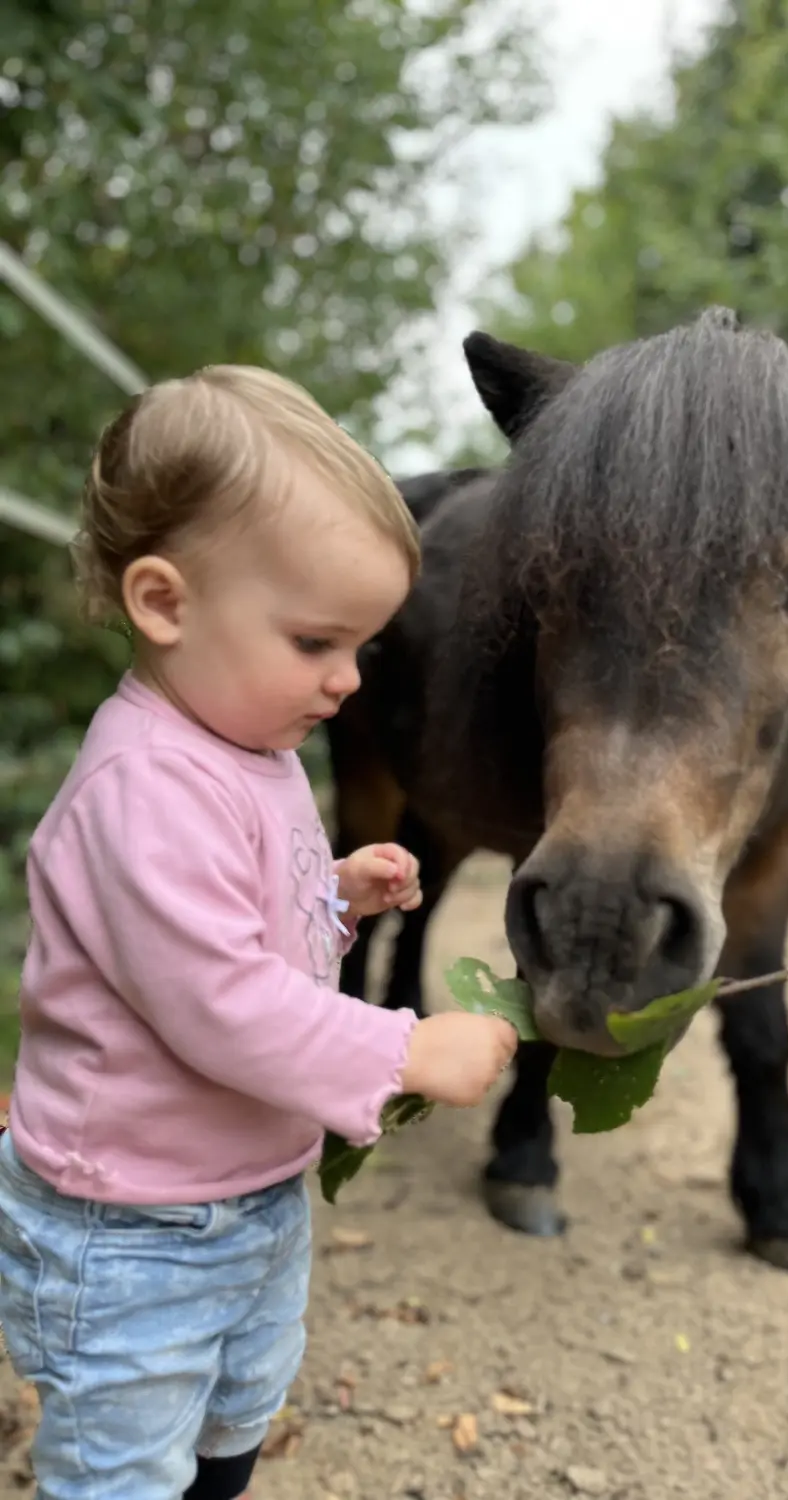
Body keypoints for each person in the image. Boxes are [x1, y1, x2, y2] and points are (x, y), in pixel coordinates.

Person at [0, 366, 519, 1500]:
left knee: (233, 1418)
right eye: (315, 643)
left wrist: (328, 895)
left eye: (361, 651)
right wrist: (401, 1050)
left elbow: (227, 927)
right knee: (126, 1463)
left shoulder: (251, 744)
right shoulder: (146, 783)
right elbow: (216, 1000)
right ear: (165, 602)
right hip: (130, 1222)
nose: (345, 684)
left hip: (242, 1193)